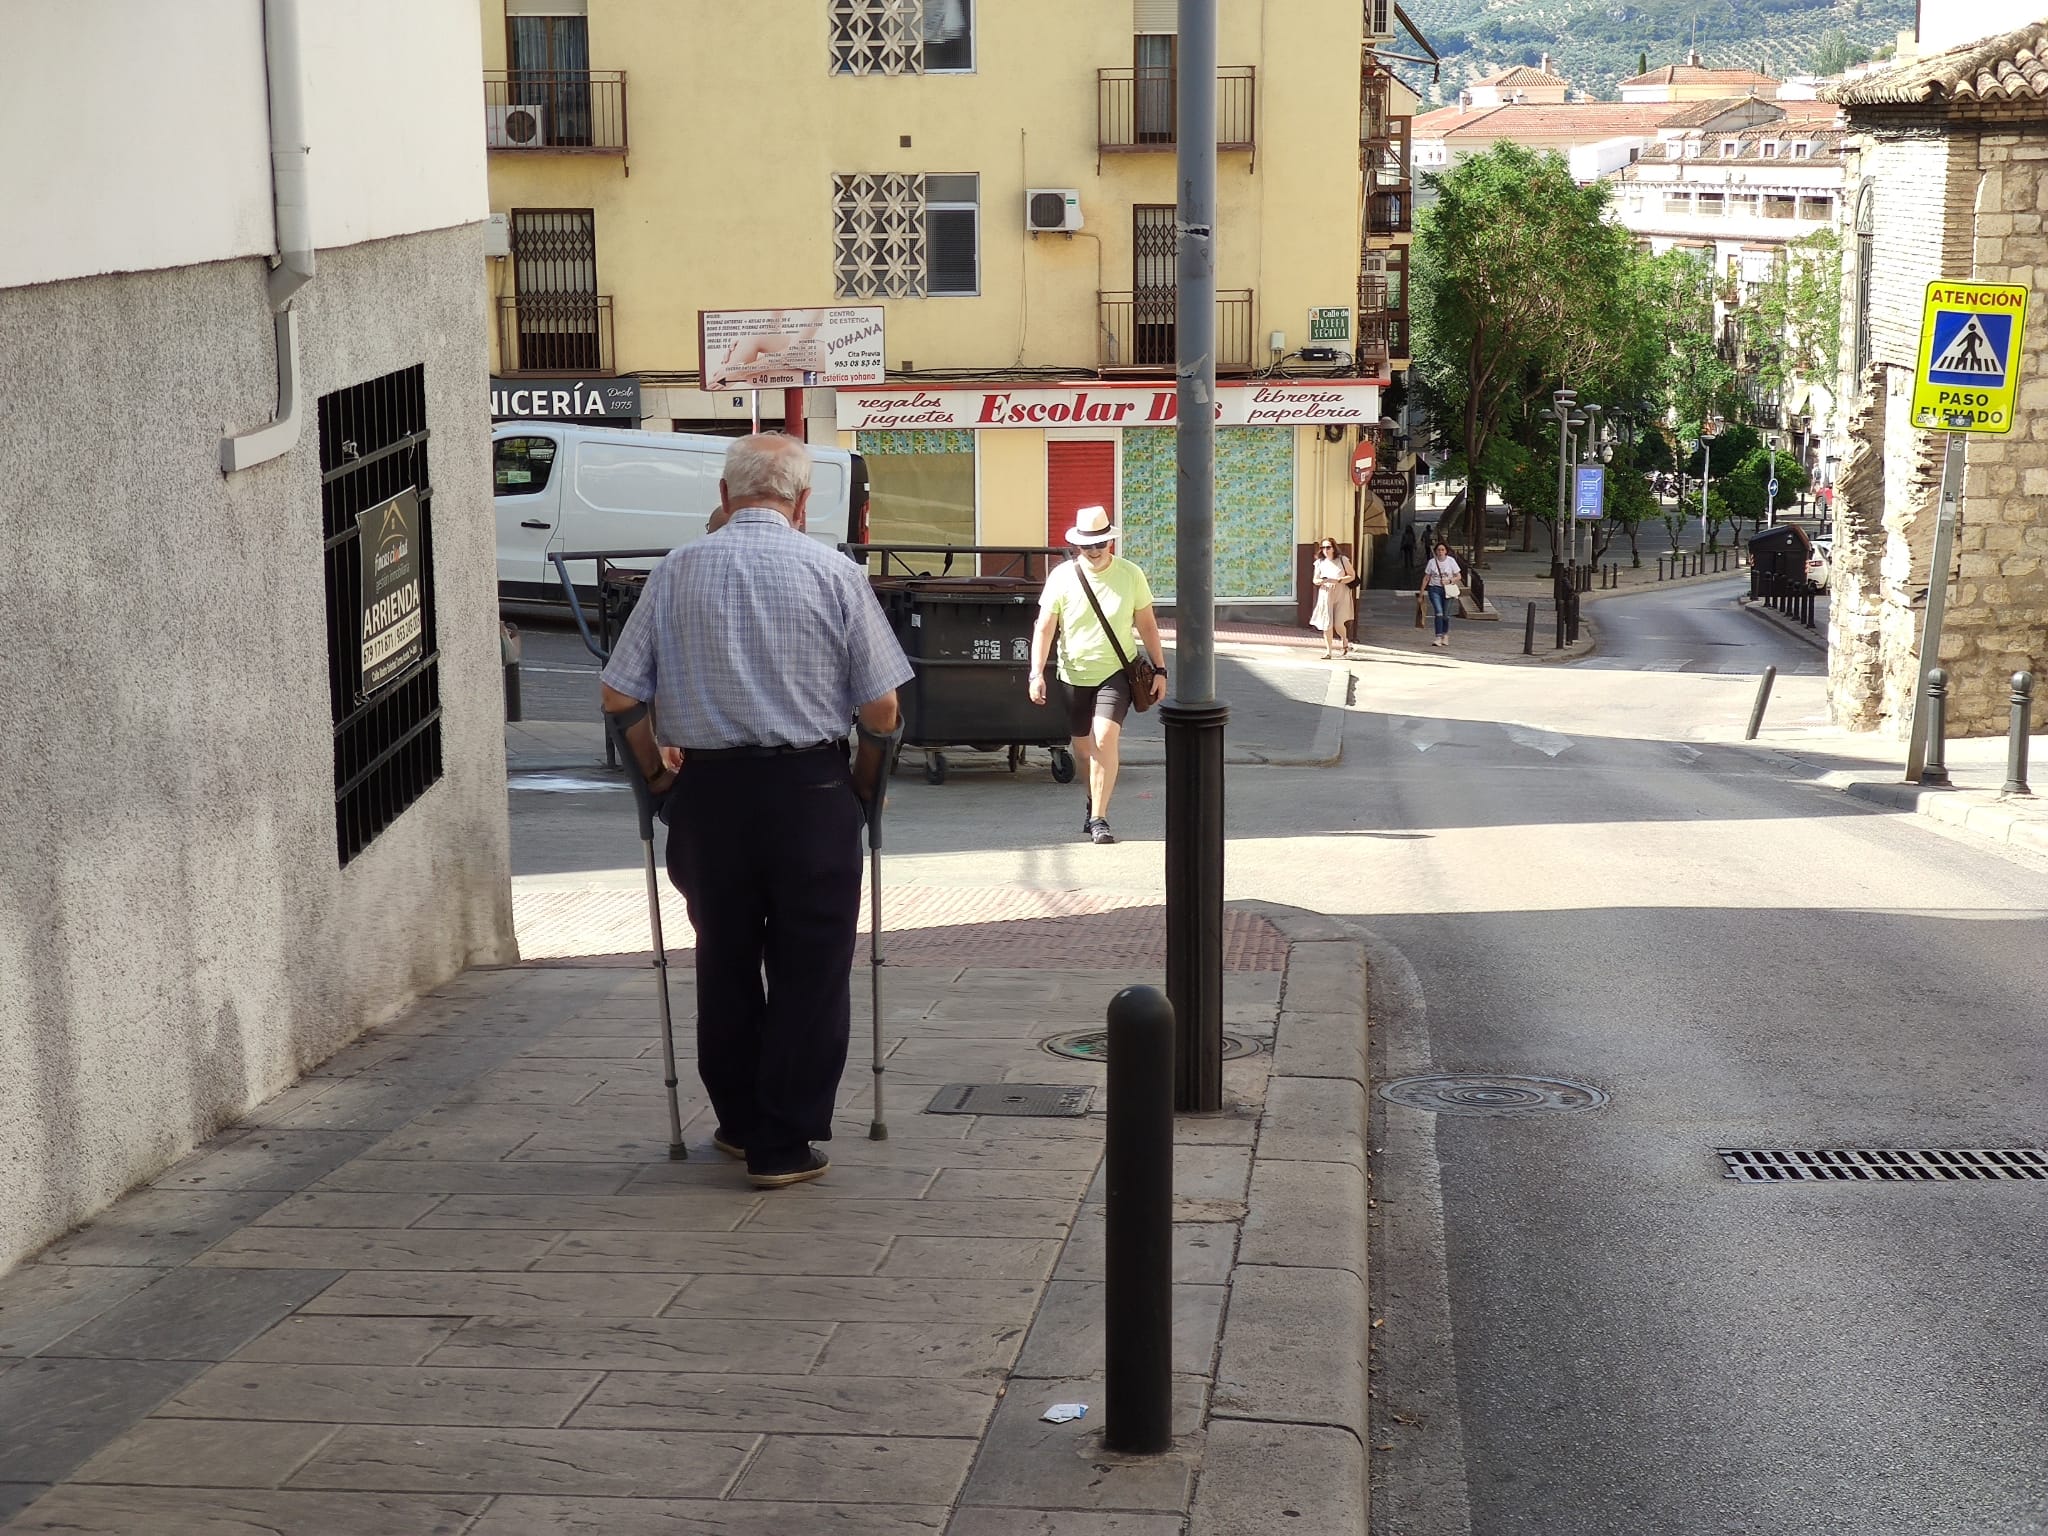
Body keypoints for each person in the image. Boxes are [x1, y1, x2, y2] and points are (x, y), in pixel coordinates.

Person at [598, 434, 912, 1190]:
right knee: (812, 969)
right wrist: (866, 785)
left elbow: (619, 694)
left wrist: (656, 776)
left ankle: (739, 1123)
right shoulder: (834, 572)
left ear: (725, 492)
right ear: (803, 504)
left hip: (710, 799)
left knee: (725, 959)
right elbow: (882, 705)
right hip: (811, 793)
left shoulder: (676, 570)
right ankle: (782, 1142)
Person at [1027, 505, 1168, 845]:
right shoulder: (1061, 576)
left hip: (1117, 672)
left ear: (1111, 543)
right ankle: (1093, 798)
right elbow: (1045, 627)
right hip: (1073, 673)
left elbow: (1146, 624)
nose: (1093, 551)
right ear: (1077, 545)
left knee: (1104, 738)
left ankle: (1099, 817)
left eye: (1100, 544)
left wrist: (1160, 668)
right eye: (1087, 546)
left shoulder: (1130, 574)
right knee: (1083, 750)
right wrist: (1036, 673)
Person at [1310, 538, 1357, 659]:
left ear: (1334, 548)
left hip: (1341, 593)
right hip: (1326, 594)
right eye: (1323, 548)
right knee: (1327, 624)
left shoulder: (1342, 559)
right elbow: (1315, 580)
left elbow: (1352, 575)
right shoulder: (1319, 562)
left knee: (1338, 623)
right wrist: (1322, 581)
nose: (1325, 550)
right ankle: (1328, 651)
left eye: (1328, 547)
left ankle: (1344, 639)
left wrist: (1340, 580)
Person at [1423, 538, 1462, 648]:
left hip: (1448, 590)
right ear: (1435, 551)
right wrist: (1421, 592)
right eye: (1438, 550)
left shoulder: (1451, 561)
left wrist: (1449, 581)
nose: (1440, 552)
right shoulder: (1431, 562)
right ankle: (1438, 637)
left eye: (1442, 550)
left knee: (1445, 615)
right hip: (1434, 589)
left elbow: (1458, 576)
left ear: (1446, 551)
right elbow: (1426, 577)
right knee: (1438, 612)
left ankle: (1445, 634)